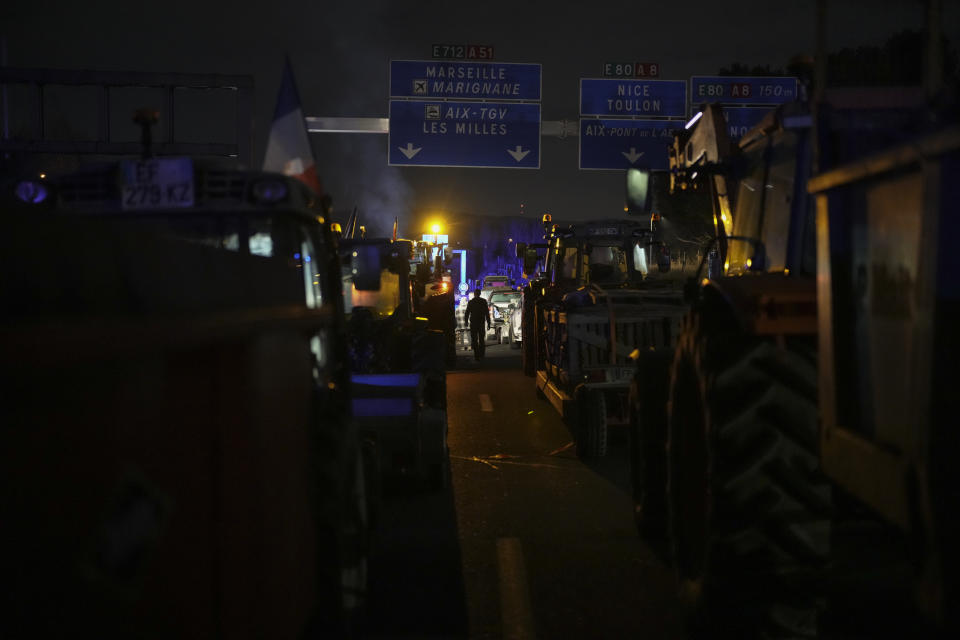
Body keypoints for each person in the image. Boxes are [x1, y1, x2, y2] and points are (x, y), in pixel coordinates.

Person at [463, 289, 490, 361]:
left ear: (474, 294)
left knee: (474, 340)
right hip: (481, 323)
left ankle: (476, 355)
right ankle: (482, 354)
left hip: (473, 323)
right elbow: (487, 313)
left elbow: (467, 313)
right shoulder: (483, 301)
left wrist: (466, 322)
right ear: (480, 294)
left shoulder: (471, 302)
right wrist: (489, 323)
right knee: (481, 339)